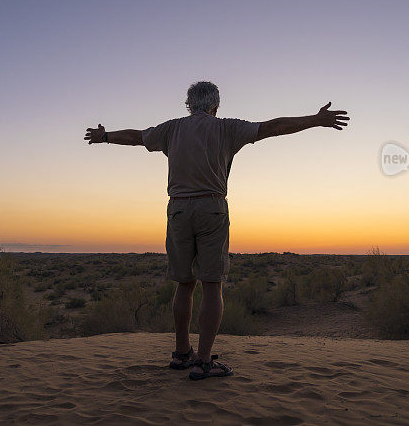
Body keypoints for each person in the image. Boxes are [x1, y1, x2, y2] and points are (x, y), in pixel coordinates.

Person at [84, 81, 349, 380]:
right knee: (212, 285)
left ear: (188, 104)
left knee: (184, 284)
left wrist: (105, 136)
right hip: (211, 208)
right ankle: (204, 361)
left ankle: (182, 353)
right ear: (216, 105)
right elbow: (271, 127)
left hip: (178, 210)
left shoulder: (171, 129)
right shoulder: (227, 128)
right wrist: (314, 120)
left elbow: (136, 137)